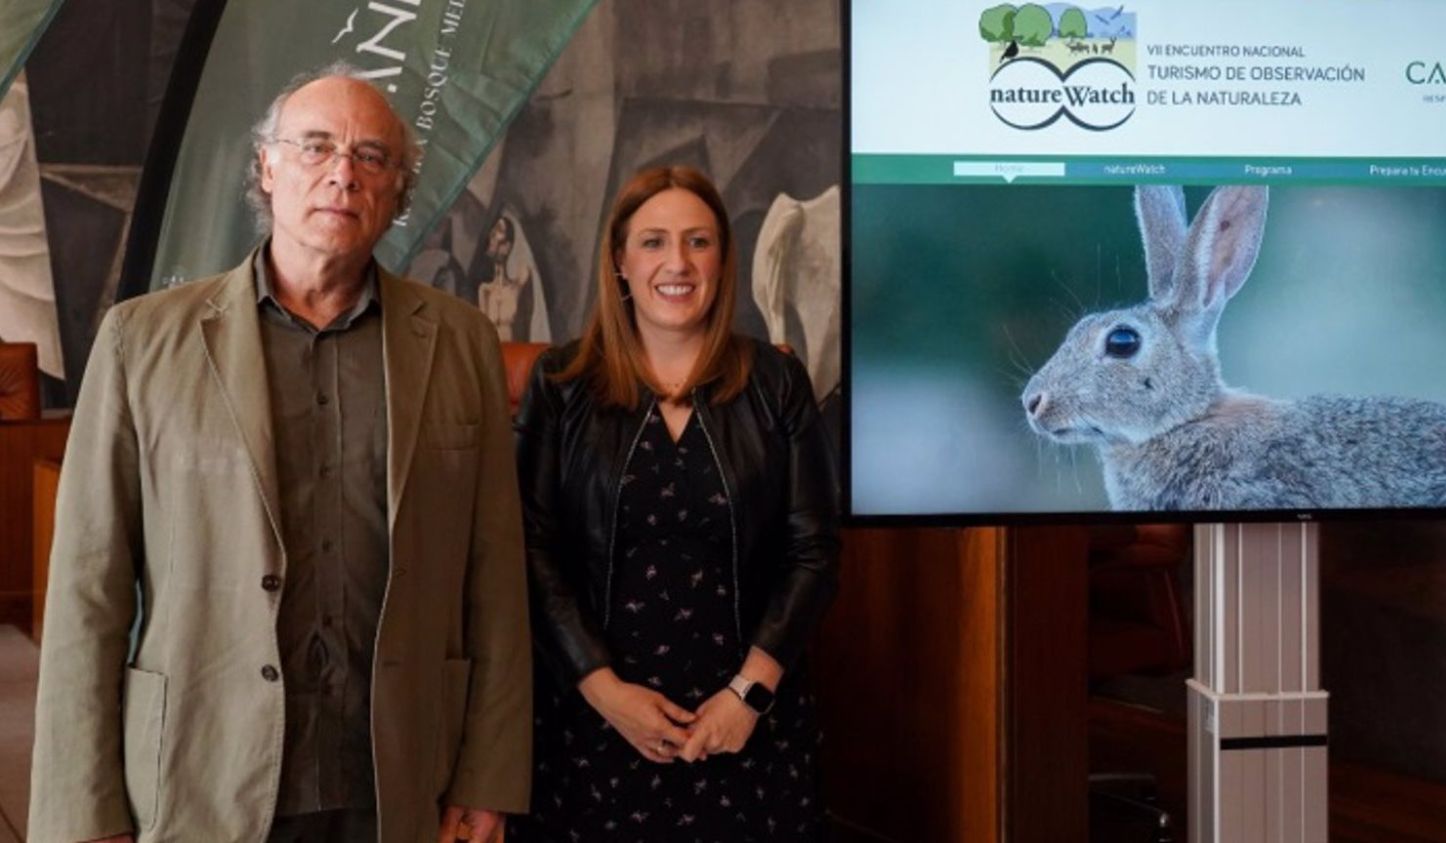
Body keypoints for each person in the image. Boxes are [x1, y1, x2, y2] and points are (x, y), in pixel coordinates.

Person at [29, 66, 532, 843]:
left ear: (397, 191)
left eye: (372, 156)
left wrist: (488, 776)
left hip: (400, 775)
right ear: (266, 166)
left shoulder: (461, 340)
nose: (343, 173)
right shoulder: (142, 340)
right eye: (316, 146)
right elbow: (87, 593)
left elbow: (495, 579)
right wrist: (83, 810)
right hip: (200, 771)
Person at [508, 166, 840, 841]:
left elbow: (815, 553)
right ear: (620, 263)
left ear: (723, 260)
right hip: (593, 729)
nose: (678, 262)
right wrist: (604, 691)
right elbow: (527, 550)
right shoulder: (561, 385)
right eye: (653, 242)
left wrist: (746, 695)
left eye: (698, 241)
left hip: (749, 726)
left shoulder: (776, 383)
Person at [476, 215, 534, 342]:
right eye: (493, 230)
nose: (492, 234)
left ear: (508, 245)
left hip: (515, 356)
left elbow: (528, 326)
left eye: (499, 230)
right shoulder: (485, 291)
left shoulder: (519, 284)